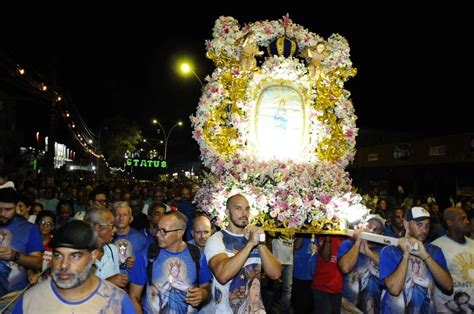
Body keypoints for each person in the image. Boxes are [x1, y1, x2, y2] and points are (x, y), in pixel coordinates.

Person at [12, 220, 136, 313]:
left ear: (93, 256)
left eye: (75, 256)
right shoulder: (30, 301)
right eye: (58, 255)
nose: (64, 265)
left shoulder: (118, 301)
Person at [205, 194, 281, 313]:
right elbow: (222, 275)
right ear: (227, 212)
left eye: (247, 209)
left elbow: (275, 274)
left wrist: (260, 243)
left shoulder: (255, 239)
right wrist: (250, 244)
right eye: (238, 208)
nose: (244, 213)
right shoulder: (217, 239)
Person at [129, 211, 212, 313]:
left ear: (179, 233)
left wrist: (203, 294)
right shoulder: (148, 255)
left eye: (164, 231)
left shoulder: (196, 255)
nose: (158, 235)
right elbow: (134, 296)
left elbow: (206, 289)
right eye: (158, 229)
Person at [379, 206, 453, 313]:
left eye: (427, 226)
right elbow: (395, 289)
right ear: (406, 224)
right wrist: (406, 255)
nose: (424, 230)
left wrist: (424, 256)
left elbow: (448, 286)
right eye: (419, 225)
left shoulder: (434, 251)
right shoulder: (390, 251)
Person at [0, 188, 43, 306]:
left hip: (12, 300)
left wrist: (15, 255)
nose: (2, 214)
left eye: (8, 209)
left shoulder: (29, 229)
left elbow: (37, 263)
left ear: (17, 207)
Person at [338, 214, 385, 314]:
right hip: (348, 308)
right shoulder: (348, 244)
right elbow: (345, 268)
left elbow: (388, 269)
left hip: (373, 308)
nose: (372, 231)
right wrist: (358, 242)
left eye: (377, 229)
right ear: (361, 226)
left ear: (382, 234)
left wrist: (368, 252)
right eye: (369, 226)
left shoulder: (384, 251)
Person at [432, 207, 474, 313]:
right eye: (462, 219)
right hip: (447, 309)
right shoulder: (436, 247)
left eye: (467, 218)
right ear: (449, 222)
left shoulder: (473, 244)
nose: (467, 221)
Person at [84, 208, 128, 289]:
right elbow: (77, 290)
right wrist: (107, 282)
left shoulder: (112, 250)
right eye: (111, 225)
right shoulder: (80, 254)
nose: (115, 230)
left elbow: (117, 285)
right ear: (97, 227)